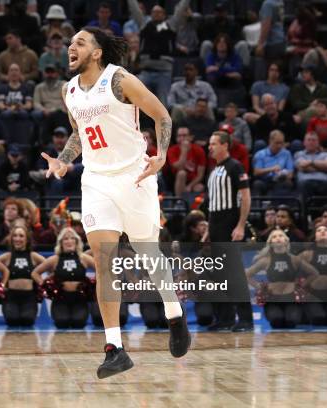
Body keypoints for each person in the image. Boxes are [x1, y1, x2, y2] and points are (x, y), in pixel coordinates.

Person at [41, 27, 190, 379]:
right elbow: (80, 134)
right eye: (70, 43)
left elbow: (162, 115)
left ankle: (174, 314)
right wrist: (63, 160)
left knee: (149, 255)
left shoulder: (120, 80)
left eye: (79, 42)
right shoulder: (69, 91)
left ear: (96, 53)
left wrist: (163, 155)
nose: (70, 47)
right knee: (104, 261)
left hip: (135, 177)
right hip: (96, 181)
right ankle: (115, 348)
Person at [205, 131, 253, 332]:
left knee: (235, 274)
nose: (210, 147)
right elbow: (212, 204)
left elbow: (245, 197)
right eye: (210, 143)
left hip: (229, 224)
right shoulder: (213, 171)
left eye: (214, 143)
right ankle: (224, 318)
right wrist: (208, 230)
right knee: (217, 274)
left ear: (225, 145)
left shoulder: (235, 167)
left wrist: (241, 225)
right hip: (215, 225)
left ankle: (245, 319)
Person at [246, 229, 318, 328]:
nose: (278, 238)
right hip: (273, 299)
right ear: (270, 243)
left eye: (280, 236)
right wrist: (259, 287)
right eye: (274, 237)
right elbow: (247, 275)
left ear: (286, 240)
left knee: (291, 322)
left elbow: (314, 273)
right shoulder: (265, 260)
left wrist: (302, 286)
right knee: (277, 321)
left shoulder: (295, 259)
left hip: (291, 298)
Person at [31, 227, 95, 329]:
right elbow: (35, 273)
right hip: (60, 299)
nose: (69, 241)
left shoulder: (83, 258)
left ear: (76, 241)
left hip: (80, 299)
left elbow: (102, 270)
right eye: (65, 239)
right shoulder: (55, 259)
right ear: (61, 242)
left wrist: (93, 285)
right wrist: (47, 287)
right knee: (62, 322)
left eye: (72, 238)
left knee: (79, 322)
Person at [0, 224, 45, 326]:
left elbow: (53, 266)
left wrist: (47, 281)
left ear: (27, 239)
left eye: (21, 236)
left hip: (29, 297)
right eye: (15, 236)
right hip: (11, 297)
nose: (17, 239)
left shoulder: (34, 256)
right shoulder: (6, 257)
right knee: (12, 320)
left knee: (27, 320)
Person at [294, 132, 327, 200]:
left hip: (324, 182)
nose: (311, 142)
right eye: (309, 140)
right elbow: (302, 167)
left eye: (314, 140)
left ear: (318, 143)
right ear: (304, 142)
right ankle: (305, 210)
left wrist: (311, 162)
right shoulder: (299, 154)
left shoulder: (326, 154)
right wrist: (323, 168)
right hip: (306, 182)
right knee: (302, 183)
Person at [252, 130, 294, 196]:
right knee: (257, 184)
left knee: (287, 183)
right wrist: (271, 169)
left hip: (280, 180)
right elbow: (256, 172)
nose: (279, 146)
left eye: (281, 143)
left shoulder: (287, 154)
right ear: (270, 141)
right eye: (277, 143)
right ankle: (258, 206)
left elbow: (290, 174)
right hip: (264, 180)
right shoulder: (260, 154)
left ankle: (281, 206)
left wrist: (283, 174)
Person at [166, 127, 206, 197]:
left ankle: (191, 206)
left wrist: (190, 186)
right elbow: (178, 167)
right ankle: (179, 201)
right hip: (175, 180)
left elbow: (200, 175)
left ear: (191, 137)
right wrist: (184, 151)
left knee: (199, 187)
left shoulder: (199, 150)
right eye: (179, 136)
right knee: (182, 173)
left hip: (193, 181)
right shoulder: (172, 150)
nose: (181, 138)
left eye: (184, 135)